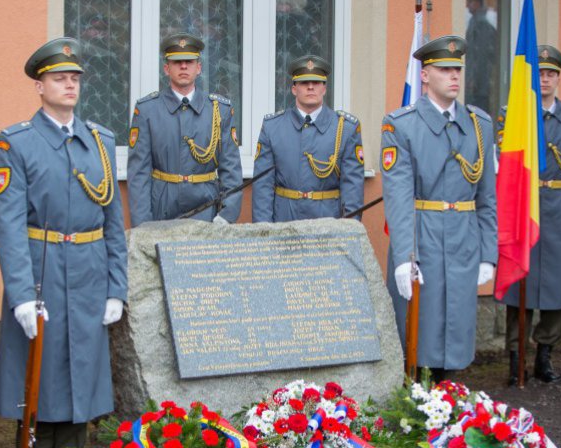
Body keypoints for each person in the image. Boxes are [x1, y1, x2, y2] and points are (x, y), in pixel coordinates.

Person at [0, 38, 128, 448]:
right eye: (59, 78)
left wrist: (117, 286)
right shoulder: (17, 143)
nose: (69, 84)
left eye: (75, 78)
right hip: (43, 268)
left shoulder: (100, 140)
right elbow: (9, 225)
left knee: (81, 372)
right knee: (41, 372)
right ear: (39, 86)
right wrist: (21, 296)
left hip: (89, 272)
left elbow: (113, 220)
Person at [381, 36, 497, 383]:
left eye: (457, 69)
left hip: (464, 236)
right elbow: (399, 196)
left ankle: (448, 399)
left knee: (457, 324)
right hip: (422, 234)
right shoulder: (402, 125)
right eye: (445, 69)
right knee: (421, 326)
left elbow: (487, 197)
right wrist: (404, 256)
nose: (454, 77)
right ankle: (415, 401)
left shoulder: (480, 125)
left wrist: (488, 253)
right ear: (426, 75)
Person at [495, 45, 561, 385]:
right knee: (518, 283)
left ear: (558, 78)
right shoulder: (513, 115)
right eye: (540, 73)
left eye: (551, 74)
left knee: (556, 285)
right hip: (524, 207)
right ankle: (514, 355)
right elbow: (504, 169)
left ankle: (545, 355)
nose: (546, 79)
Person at [127, 33, 242, 226]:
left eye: (189, 61)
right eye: (176, 62)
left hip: (206, 206)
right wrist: (142, 223)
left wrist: (227, 215)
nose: (183, 66)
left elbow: (230, 168)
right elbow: (138, 172)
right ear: (166, 68)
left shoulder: (219, 110)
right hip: (162, 206)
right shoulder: (147, 110)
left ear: (198, 68)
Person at [252, 55, 364, 222]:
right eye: (304, 83)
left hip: (328, 225)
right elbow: (262, 187)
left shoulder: (346, 128)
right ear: (294, 88)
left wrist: (349, 232)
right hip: (284, 222)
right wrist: (263, 231)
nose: (310, 87)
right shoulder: (272, 127)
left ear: (324, 88)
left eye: (316, 82)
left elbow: (352, 189)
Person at [464, 0, 498, 116]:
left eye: (470, 2)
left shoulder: (482, 26)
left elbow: (480, 57)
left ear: (478, 3)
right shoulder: (474, 22)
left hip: (479, 85)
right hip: (475, 84)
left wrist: (473, 79)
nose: (467, 5)